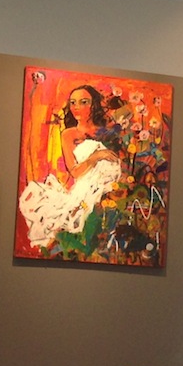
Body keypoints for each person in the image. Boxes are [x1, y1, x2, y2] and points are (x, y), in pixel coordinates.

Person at [17, 84, 123, 249]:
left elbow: (117, 160)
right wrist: (95, 157)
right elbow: (75, 172)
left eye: (83, 102)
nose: (76, 107)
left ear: (94, 104)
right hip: (84, 191)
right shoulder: (68, 134)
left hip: (110, 186)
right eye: (73, 102)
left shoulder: (107, 132)